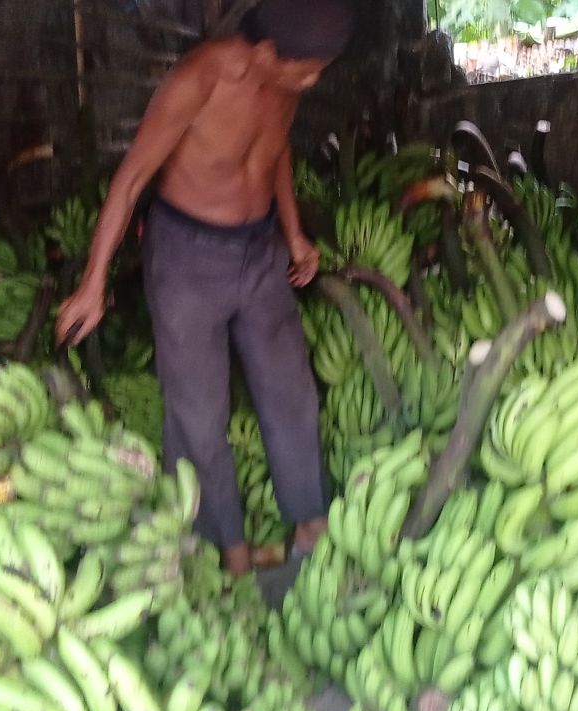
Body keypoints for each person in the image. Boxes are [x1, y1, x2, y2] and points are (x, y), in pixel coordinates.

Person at [54, 0, 354, 576]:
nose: (314, 79)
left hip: (261, 251)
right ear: (267, 52)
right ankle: (227, 552)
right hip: (187, 257)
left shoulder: (285, 81)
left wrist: (294, 236)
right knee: (198, 412)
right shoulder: (199, 78)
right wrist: (93, 284)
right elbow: (132, 177)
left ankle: (311, 522)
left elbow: (276, 152)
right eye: (308, 68)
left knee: (292, 391)